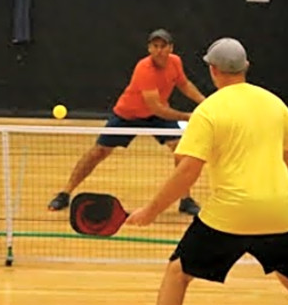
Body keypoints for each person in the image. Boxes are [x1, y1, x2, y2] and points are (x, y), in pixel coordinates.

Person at [127, 38, 288, 305]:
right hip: (278, 211)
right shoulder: (272, 101)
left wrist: (151, 211)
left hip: (230, 215)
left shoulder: (208, 111)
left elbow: (187, 171)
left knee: (178, 273)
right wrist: (275, 170)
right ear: (245, 67)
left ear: (213, 70)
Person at [48, 29, 205, 215]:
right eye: (155, 46)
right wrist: (187, 116)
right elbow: (156, 108)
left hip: (157, 116)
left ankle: (185, 199)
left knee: (180, 150)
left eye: (163, 46)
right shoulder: (144, 68)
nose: (159, 50)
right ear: (149, 48)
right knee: (98, 152)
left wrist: (205, 103)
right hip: (128, 115)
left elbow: (184, 84)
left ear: (171, 48)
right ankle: (65, 193)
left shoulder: (175, 62)